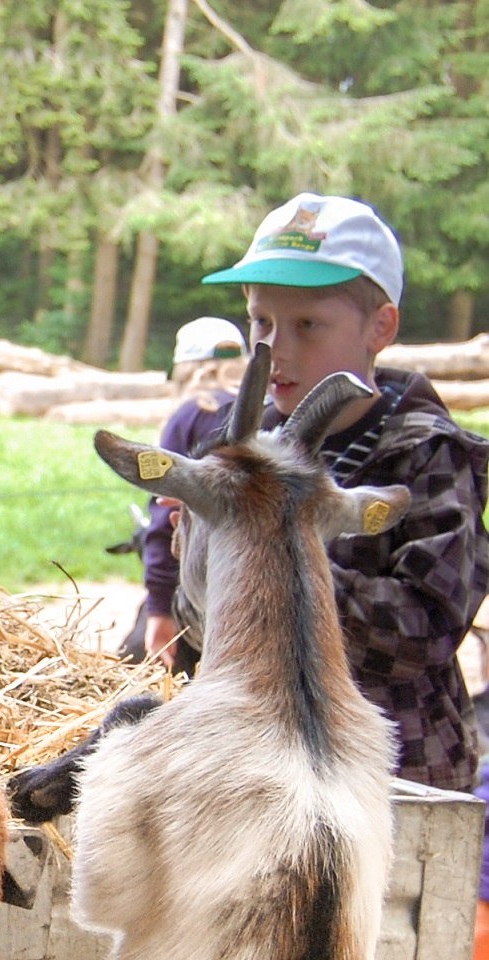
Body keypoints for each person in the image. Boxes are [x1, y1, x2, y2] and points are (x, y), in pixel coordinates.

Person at [198, 192, 489, 792]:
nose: (275, 347)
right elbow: (197, 618)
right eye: (261, 321)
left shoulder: (425, 452)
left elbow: (426, 629)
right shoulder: (240, 446)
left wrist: (276, 560)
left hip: (395, 772)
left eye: (308, 325)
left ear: (380, 327)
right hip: (252, 756)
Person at [129, 315, 247, 670]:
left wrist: (160, 608)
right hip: (258, 581)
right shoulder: (267, 412)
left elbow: (167, 517)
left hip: (203, 585)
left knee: (136, 660)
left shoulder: (190, 415)